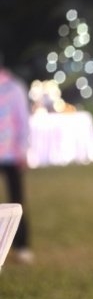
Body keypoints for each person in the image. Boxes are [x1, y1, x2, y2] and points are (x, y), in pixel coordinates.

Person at [0, 60, 32, 264]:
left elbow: (23, 121)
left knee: (17, 202)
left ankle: (22, 246)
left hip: (11, 155)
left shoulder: (14, 87)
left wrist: (23, 150)